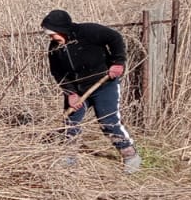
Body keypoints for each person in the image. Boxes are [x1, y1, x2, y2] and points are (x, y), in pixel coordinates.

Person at [40, 9, 143, 174]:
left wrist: (118, 62)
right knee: (71, 123)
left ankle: (129, 154)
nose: (51, 38)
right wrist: (70, 93)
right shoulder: (55, 48)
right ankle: (69, 157)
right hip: (77, 91)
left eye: (53, 34)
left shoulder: (88, 31)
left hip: (104, 85)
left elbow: (115, 38)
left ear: (62, 29)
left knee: (108, 122)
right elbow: (57, 73)